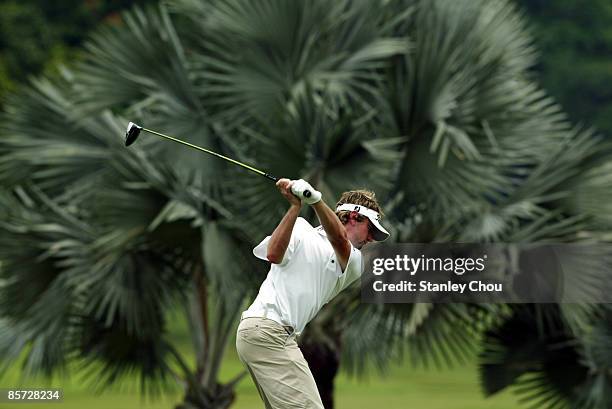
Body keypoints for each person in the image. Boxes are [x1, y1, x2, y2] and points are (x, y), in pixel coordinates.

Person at [236, 178, 389, 409]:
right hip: (267, 332)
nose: (370, 239)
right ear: (353, 218)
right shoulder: (300, 228)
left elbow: (339, 238)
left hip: (268, 336)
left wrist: (315, 200)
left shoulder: (355, 261)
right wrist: (295, 207)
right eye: (371, 231)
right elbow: (273, 254)